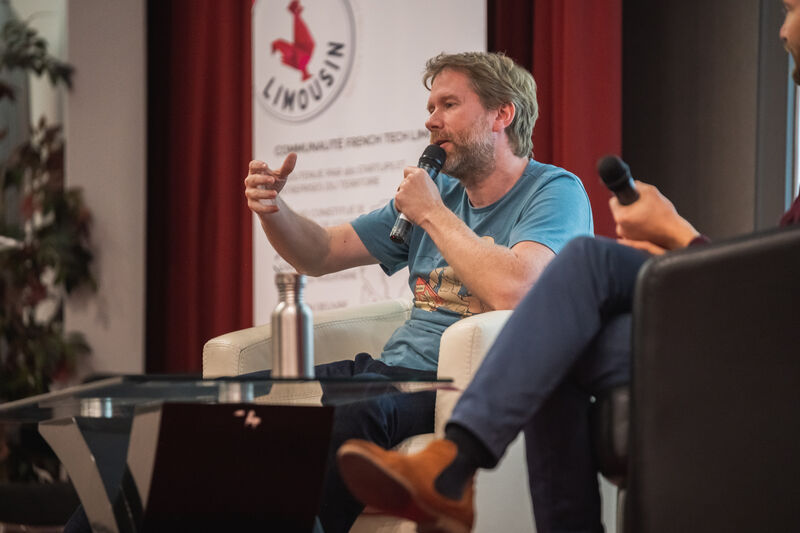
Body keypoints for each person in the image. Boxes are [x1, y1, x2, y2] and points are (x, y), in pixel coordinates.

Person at [62, 51, 592, 533]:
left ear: (503, 114)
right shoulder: (439, 195)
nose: (431, 121)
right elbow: (319, 252)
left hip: (450, 384)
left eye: (449, 105)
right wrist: (275, 210)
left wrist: (431, 212)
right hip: (383, 371)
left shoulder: (552, 191)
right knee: (211, 411)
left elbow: (519, 290)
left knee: (345, 419)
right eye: (430, 107)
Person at [334, 4, 800, 532]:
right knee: (556, 338)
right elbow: (778, 278)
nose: (781, 29)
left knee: (584, 268)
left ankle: (454, 464)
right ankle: (454, 471)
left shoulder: (552, 189)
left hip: (771, 339)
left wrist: (679, 236)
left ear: (502, 115)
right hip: (757, 318)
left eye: (789, 8)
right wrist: (675, 247)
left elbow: (776, 292)